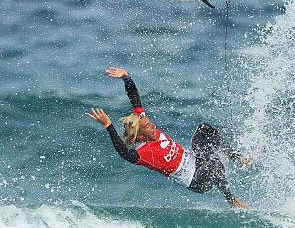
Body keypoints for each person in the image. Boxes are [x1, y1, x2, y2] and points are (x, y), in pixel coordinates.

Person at [87, 67, 249, 208]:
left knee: (203, 129)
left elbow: (134, 98)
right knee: (214, 165)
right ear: (140, 135)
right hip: (196, 180)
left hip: (196, 159)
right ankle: (231, 200)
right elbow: (124, 153)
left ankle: (238, 158)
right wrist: (108, 125)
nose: (153, 125)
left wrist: (126, 77)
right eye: (148, 126)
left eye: (149, 122)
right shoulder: (144, 153)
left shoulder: (143, 125)